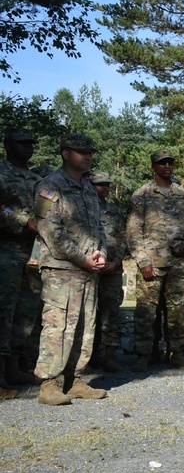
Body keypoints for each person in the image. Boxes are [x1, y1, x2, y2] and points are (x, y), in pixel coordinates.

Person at [33, 134, 107, 405]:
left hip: (87, 269)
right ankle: (48, 384)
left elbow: (98, 226)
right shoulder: (49, 186)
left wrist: (101, 253)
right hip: (61, 269)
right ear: (65, 153)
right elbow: (50, 230)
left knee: (85, 325)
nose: (87, 156)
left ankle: (74, 379)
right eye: (80, 151)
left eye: (89, 151)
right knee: (57, 325)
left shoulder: (87, 188)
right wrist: (81, 258)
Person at [127, 149, 184, 371]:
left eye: (170, 162)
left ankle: (177, 353)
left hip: (178, 264)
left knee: (178, 311)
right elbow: (133, 231)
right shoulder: (142, 195)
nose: (167, 166)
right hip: (151, 264)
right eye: (162, 163)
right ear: (154, 166)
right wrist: (142, 261)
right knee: (146, 312)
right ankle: (144, 355)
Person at [0, 127, 43, 396]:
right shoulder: (2, 175)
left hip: (33, 254)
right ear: (7, 145)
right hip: (6, 253)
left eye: (31, 143)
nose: (28, 147)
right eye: (22, 143)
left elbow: (44, 211)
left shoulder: (38, 179)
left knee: (26, 313)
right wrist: (23, 221)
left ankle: (15, 366)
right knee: (3, 312)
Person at [89, 171, 126, 373]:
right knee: (88, 313)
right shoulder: (85, 208)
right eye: (99, 184)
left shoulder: (115, 211)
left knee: (111, 312)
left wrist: (116, 261)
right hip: (90, 269)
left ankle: (110, 357)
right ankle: (89, 356)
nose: (104, 188)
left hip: (112, 269)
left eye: (107, 184)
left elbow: (123, 238)